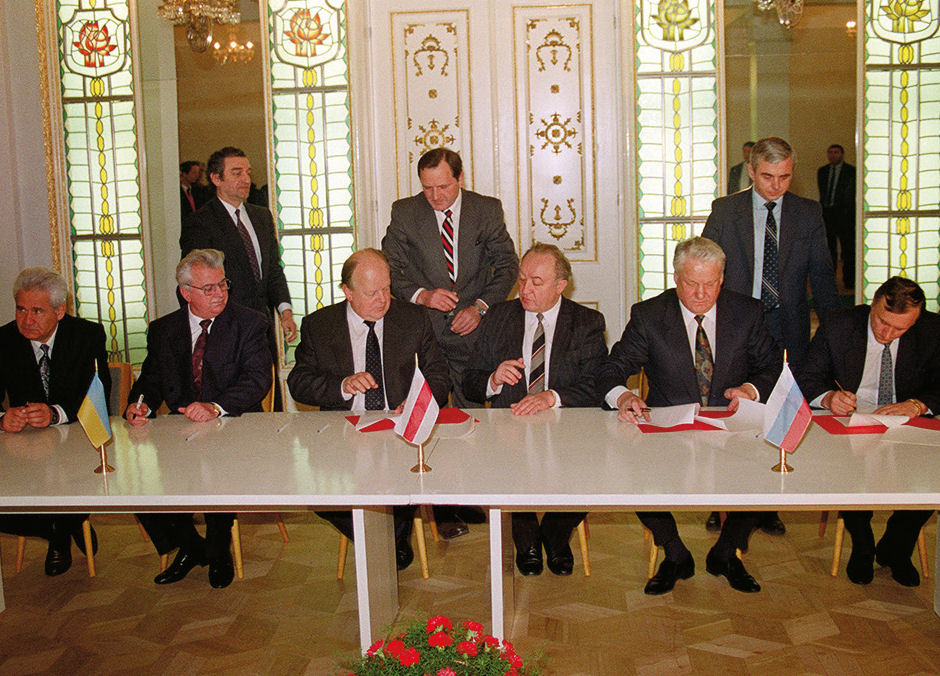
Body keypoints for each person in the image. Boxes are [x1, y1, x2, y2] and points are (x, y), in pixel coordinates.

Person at [597, 237, 781, 595]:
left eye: (710, 284)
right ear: (676, 278)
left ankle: (726, 553)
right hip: (670, 430)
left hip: (730, 428)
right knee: (633, 480)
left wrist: (750, 390)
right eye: (691, 283)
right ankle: (675, 554)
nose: (700, 294)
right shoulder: (650, 315)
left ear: (722, 278)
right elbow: (611, 369)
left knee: (767, 479)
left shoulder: (747, 312)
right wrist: (623, 396)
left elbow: (773, 367)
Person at [703, 136, 840, 537]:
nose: (776, 186)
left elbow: (822, 276)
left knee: (776, 410)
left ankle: (767, 505)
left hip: (787, 325)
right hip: (736, 324)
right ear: (751, 170)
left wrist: (835, 335)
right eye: (767, 176)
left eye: (784, 177)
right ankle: (721, 501)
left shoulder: (808, 212)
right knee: (733, 407)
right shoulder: (725, 210)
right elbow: (705, 264)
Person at [382, 147, 518, 538]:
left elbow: (507, 266)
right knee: (430, 416)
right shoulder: (405, 212)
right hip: (424, 334)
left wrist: (480, 307)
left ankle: (469, 493)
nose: (436, 196)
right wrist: (422, 294)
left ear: (459, 178)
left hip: (472, 331)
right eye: (427, 188)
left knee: (473, 415)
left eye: (443, 187)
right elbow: (389, 268)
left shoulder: (485, 210)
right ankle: (441, 509)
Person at [287, 248, 451, 571]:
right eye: (371, 292)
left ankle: (387, 540)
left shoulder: (412, 318)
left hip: (398, 428)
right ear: (347, 292)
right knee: (317, 494)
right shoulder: (319, 325)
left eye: (386, 289)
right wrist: (341, 385)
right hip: (343, 432)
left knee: (409, 478)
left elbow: (439, 374)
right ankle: (385, 540)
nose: (383, 300)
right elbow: (299, 382)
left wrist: (416, 402)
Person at [125, 249, 271, 589]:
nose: (219, 293)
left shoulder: (249, 323)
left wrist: (215, 406)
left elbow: (257, 380)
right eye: (208, 288)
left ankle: (218, 549)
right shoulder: (163, 329)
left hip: (235, 426)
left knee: (218, 475)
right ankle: (191, 546)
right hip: (181, 429)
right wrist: (139, 404)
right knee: (138, 486)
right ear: (185, 292)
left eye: (222, 284)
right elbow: (151, 379)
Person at [463, 244, 607, 576]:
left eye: (536, 282)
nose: (525, 290)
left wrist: (551, 397)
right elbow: (469, 382)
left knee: (594, 469)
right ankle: (526, 539)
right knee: (501, 469)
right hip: (509, 430)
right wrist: (493, 379)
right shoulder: (498, 317)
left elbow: (597, 385)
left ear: (561, 285)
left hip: (567, 429)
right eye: (522, 279)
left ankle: (555, 535)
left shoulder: (586, 322)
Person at [796, 276, 938, 587]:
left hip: (907, 425)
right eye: (882, 322)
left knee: (933, 480)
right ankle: (862, 544)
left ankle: (896, 547)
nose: (887, 334)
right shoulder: (839, 325)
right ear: (872, 304)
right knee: (847, 474)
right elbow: (806, 377)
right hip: (852, 423)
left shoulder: (932, 330)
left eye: (899, 329)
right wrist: (829, 398)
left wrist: (917, 404)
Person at [0, 267, 110, 575]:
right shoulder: (4, 339)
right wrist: (3, 418)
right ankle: (60, 526)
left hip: (78, 436)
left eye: (37, 311)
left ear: (60, 311)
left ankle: (60, 534)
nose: (27, 319)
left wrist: (56, 413)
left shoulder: (87, 335)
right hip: (26, 446)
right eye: (21, 309)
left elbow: (98, 392)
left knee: (73, 476)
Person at [179, 147, 297, 398]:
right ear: (216, 178)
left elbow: (272, 269)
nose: (246, 179)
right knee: (232, 401)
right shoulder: (201, 222)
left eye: (248, 172)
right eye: (236, 173)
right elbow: (192, 280)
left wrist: (285, 310)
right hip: (224, 330)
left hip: (261, 326)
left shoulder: (261, 216)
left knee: (268, 396)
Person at [816, 144, 856, 289]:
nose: (833, 155)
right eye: (830, 152)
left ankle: (849, 282)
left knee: (848, 250)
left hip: (845, 216)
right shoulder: (822, 171)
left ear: (842, 154)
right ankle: (829, 281)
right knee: (828, 250)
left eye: (836, 152)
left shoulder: (851, 171)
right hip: (827, 215)